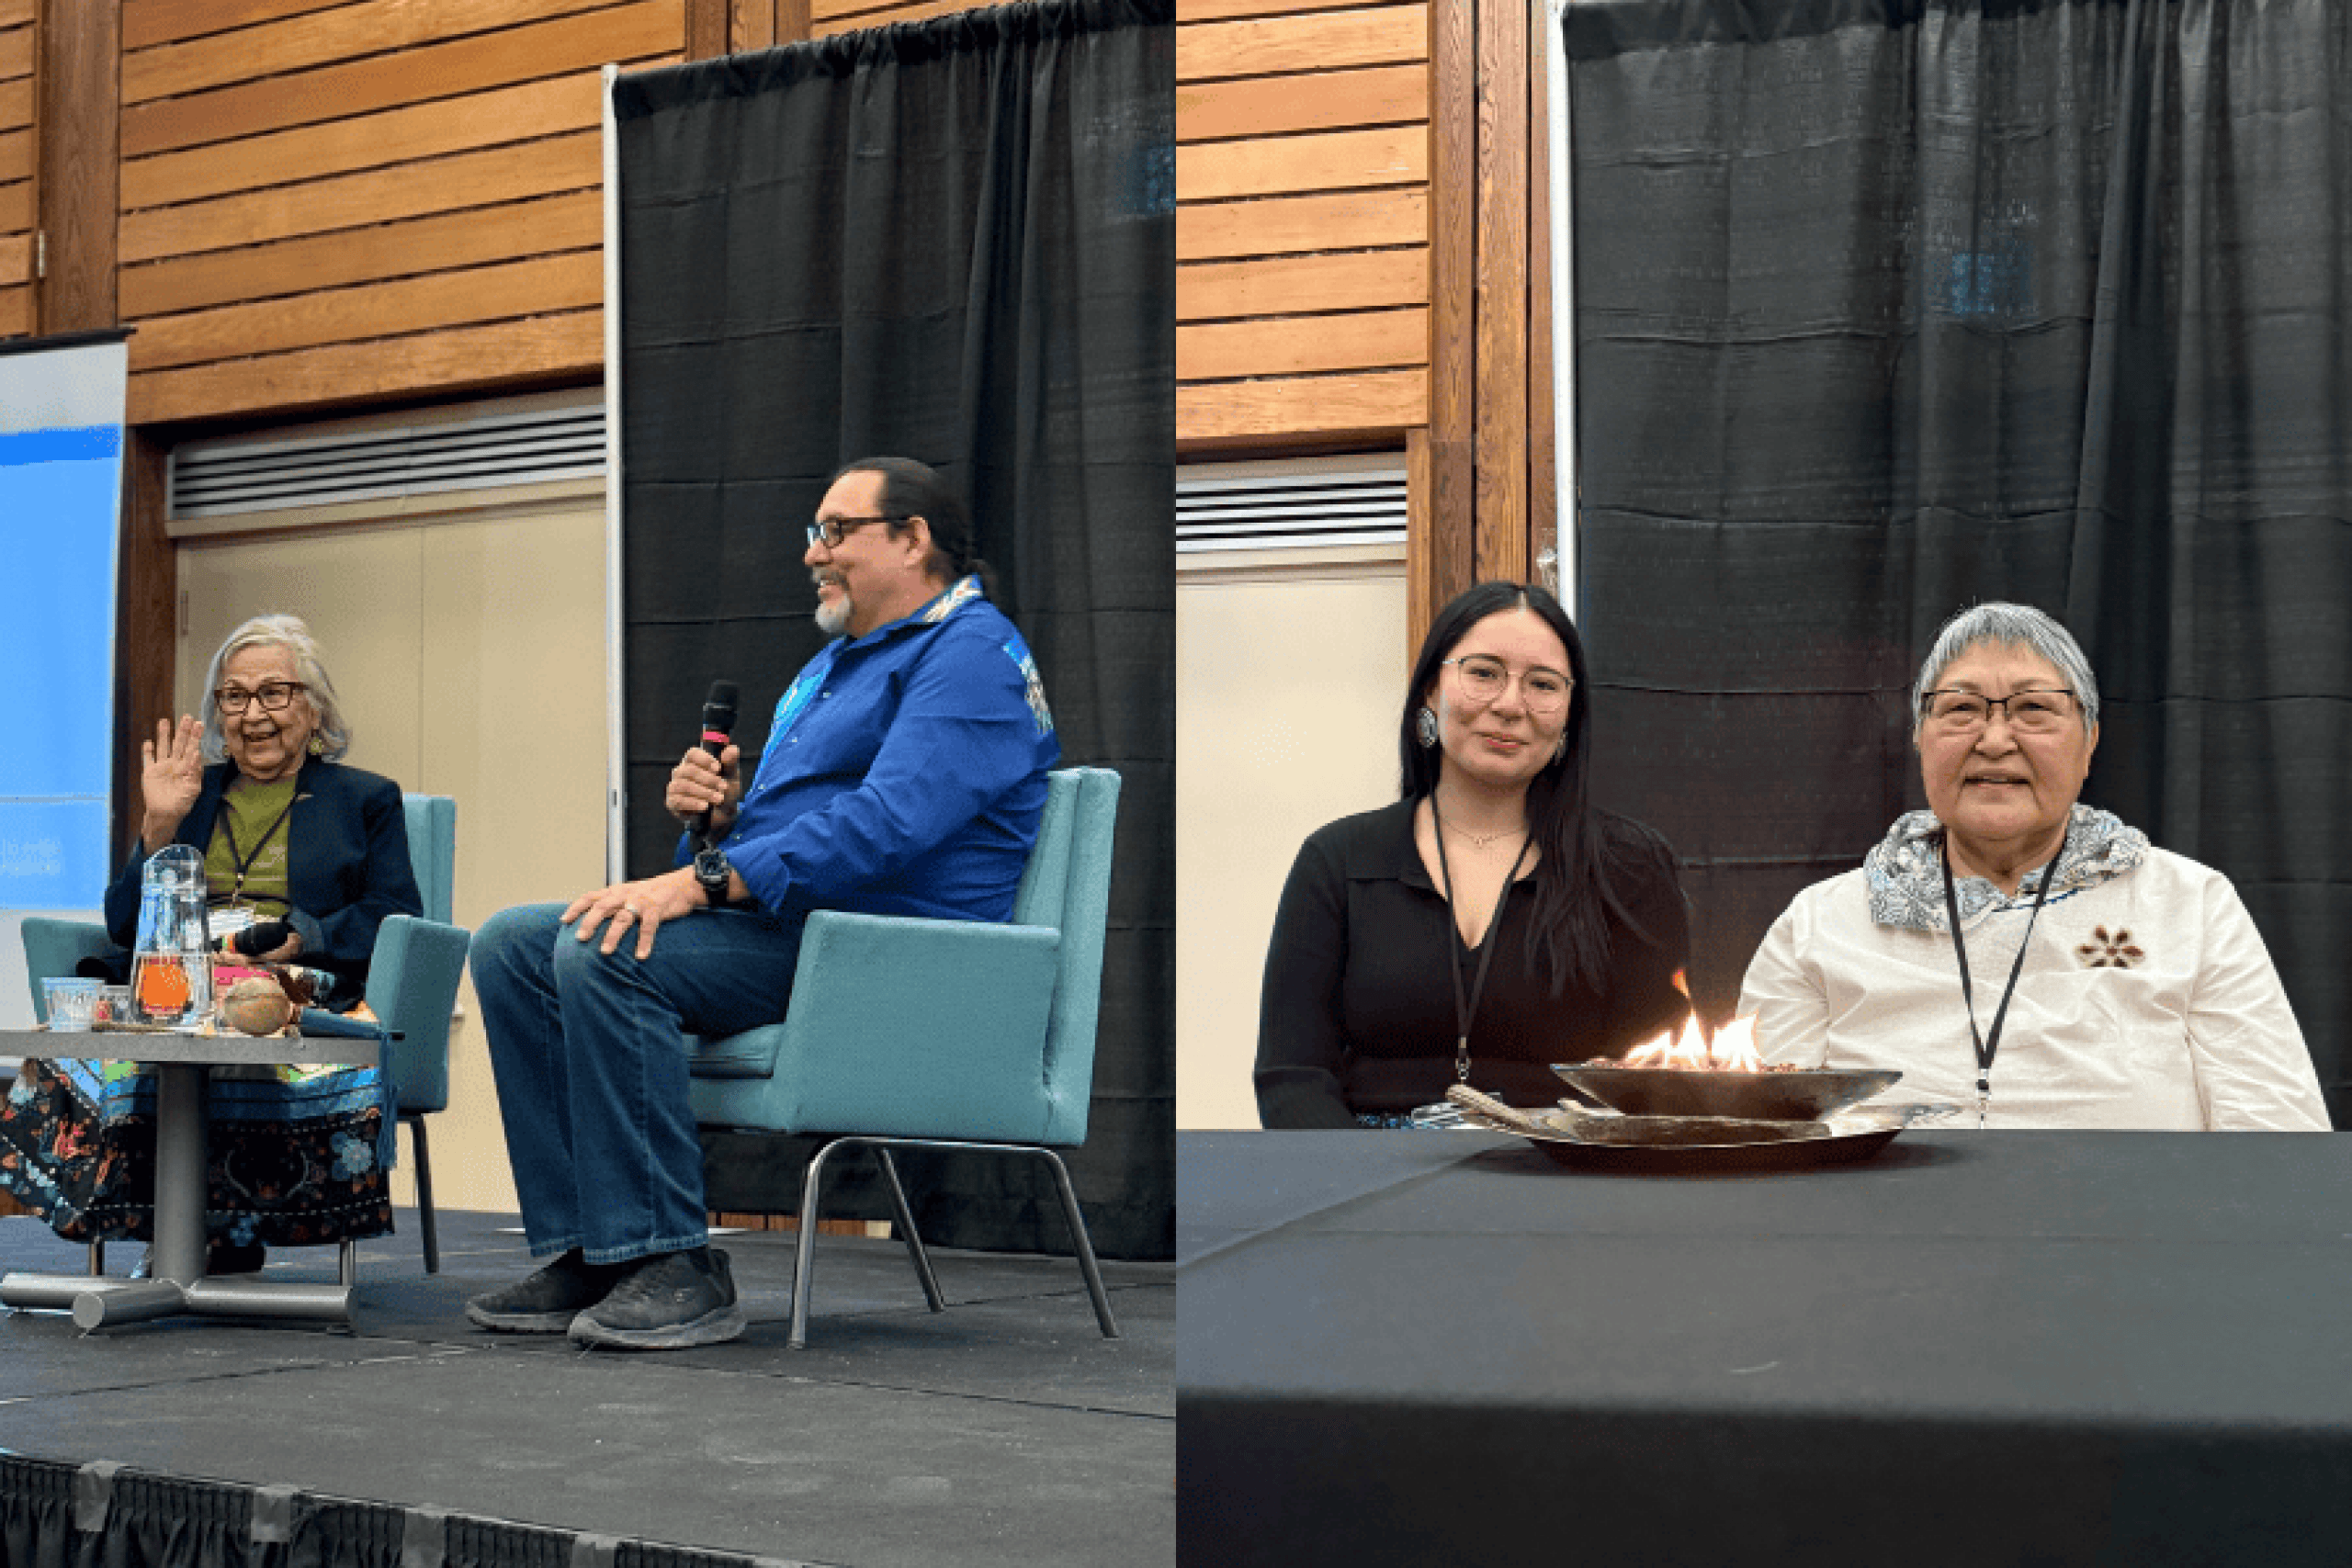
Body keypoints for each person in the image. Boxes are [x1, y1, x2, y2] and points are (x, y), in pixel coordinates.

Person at [462, 456, 1058, 1350]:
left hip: (888, 953)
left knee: (606, 949)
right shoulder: (833, 667)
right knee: (513, 943)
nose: (813, 555)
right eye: (812, 534)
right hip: (796, 931)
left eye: (834, 531)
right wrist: (715, 825)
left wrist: (699, 880)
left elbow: (886, 825)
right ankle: (596, 1248)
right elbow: (771, 852)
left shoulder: (970, 651)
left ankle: (675, 1264)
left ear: (911, 539)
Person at [1740, 601, 2328, 1131]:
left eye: (2033, 709)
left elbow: (2277, 1133)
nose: (1995, 740)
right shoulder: (1823, 921)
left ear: (2090, 739)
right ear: (1920, 738)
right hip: (1880, 1239)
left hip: (2136, 1235)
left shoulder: (2190, 902)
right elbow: (1756, 1133)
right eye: (1962, 709)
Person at [0, 614, 424, 1269]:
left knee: (234, 1018)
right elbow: (122, 923)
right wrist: (158, 828)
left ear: (315, 709)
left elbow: (394, 913)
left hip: (286, 983)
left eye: (274, 693)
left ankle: (223, 1230)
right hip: (175, 981)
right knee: (93, 1032)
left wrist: (302, 936)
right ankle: (155, 1225)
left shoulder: (364, 798)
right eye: (234, 696)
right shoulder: (192, 797)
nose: (253, 713)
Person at [1255, 581, 1691, 1128]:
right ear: (1430, 691)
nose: (1510, 705)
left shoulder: (1630, 867)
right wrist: (1353, 1194)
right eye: (1484, 673)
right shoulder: (1337, 860)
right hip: (1365, 1183)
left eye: (1542, 684)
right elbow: (1293, 1075)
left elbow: (1657, 1072)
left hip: (1565, 1176)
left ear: (1568, 719)